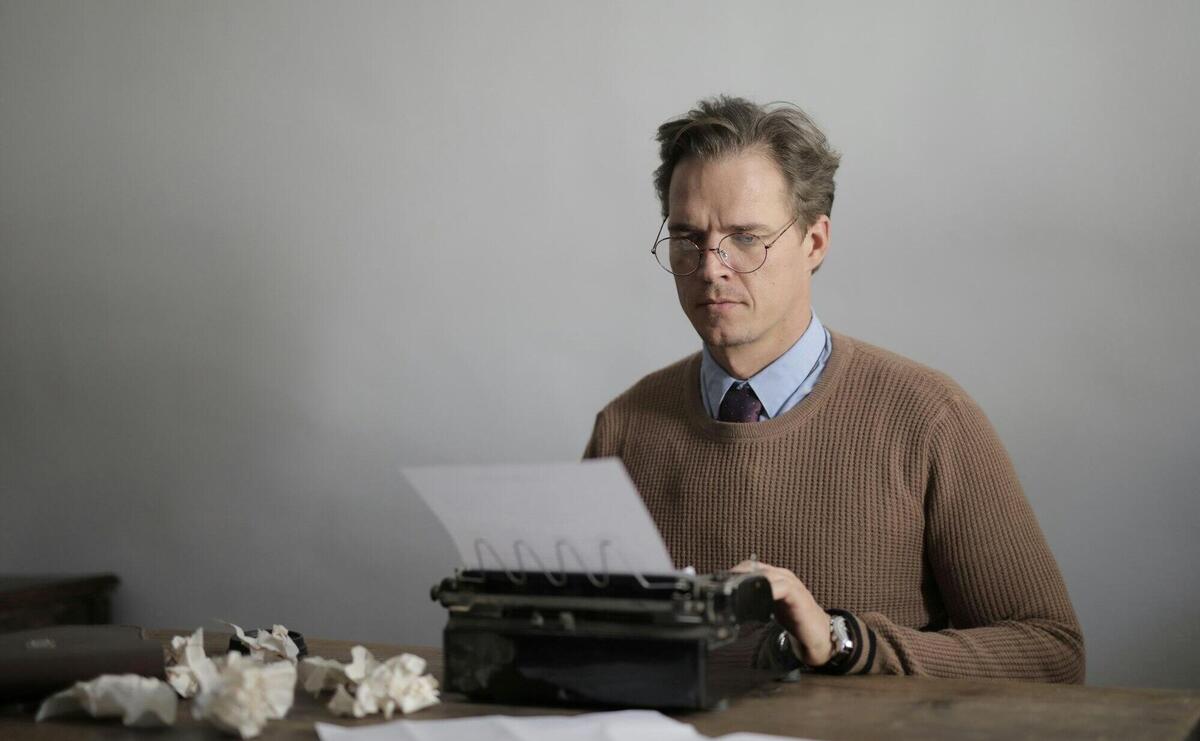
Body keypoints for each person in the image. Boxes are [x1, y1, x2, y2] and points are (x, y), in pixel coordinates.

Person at [584, 96, 1085, 682]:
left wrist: (845, 642)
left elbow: (1052, 653)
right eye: (689, 238)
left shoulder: (930, 418)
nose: (711, 266)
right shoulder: (623, 426)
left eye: (746, 237)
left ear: (815, 243)